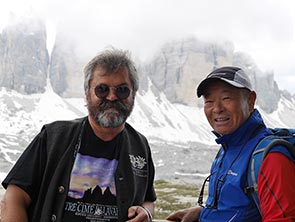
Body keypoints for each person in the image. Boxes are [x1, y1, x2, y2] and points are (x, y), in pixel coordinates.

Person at [0, 48, 156, 222]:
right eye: (102, 89)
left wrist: (147, 213)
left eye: (122, 90)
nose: (112, 97)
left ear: (133, 94)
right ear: (87, 94)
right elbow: (15, 197)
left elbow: (148, 199)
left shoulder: (140, 145)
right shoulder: (53, 137)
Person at [166, 66, 295, 222]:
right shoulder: (227, 148)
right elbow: (233, 209)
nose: (217, 108)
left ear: (250, 100)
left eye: (226, 98)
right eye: (209, 101)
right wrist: (202, 212)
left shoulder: (271, 157)